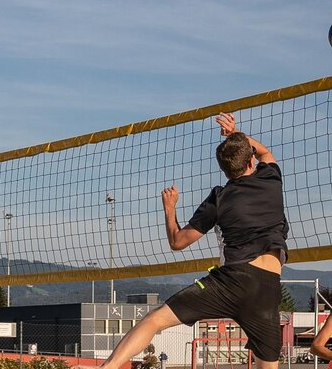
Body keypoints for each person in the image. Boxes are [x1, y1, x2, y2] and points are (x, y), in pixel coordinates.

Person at [98, 112, 289, 369]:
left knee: (153, 320)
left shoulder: (219, 198)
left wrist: (169, 208)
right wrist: (235, 134)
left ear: (223, 169)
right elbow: (265, 152)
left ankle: (108, 367)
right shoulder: (270, 179)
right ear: (250, 161)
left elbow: (177, 242)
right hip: (267, 287)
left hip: (233, 280)